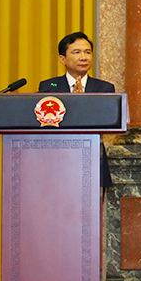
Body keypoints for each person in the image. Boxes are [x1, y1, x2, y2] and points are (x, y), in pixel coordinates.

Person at [38, 31, 115, 189]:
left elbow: (108, 121)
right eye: (76, 52)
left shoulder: (105, 88)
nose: (83, 57)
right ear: (63, 59)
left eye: (87, 52)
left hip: (93, 160)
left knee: (93, 212)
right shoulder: (48, 88)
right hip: (57, 160)